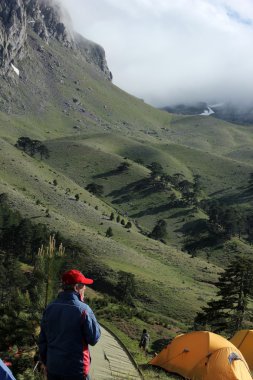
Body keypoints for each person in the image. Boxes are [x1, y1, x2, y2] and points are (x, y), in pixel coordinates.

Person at [39, 269, 101, 380]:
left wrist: (46, 362)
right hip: (76, 370)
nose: (85, 288)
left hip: (53, 368)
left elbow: (43, 340)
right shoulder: (84, 310)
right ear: (77, 287)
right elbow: (94, 339)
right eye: (83, 286)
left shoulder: (50, 307)